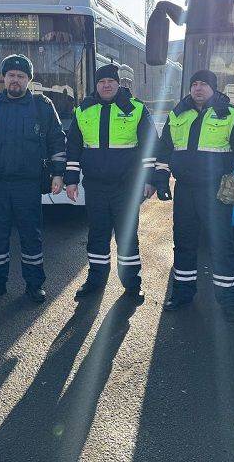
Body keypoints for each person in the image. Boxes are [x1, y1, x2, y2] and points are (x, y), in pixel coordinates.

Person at [153, 70, 234, 323]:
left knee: (222, 245)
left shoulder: (229, 115)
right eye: (194, 84)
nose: (198, 88)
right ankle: (183, 293)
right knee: (184, 242)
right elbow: (164, 150)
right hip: (185, 189)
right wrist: (161, 179)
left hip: (216, 191)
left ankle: (229, 299)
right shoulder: (177, 114)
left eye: (204, 84)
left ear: (214, 88)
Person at [0, 55, 66, 304]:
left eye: (21, 76)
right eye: (11, 75)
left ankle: (34, 285)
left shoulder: (42, 107)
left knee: (31, 236)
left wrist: (58, 173)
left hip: (28, 184)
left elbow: (57, 140)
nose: (15, 80)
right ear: (4, 78)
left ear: (29, 80)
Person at [65, 63, 158, 303]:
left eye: (110, 81)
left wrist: (149, 180)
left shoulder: (136, 109)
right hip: (95, 186)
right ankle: (96, 281)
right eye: (101, 82)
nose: (106, 85)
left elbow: (150, 147)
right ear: (96, 85)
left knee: (127, 237)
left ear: (119, 84)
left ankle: (132, 285)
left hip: (126, 187)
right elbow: (73, 149)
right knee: (97, 235)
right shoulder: (83, 110)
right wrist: (72, 181)